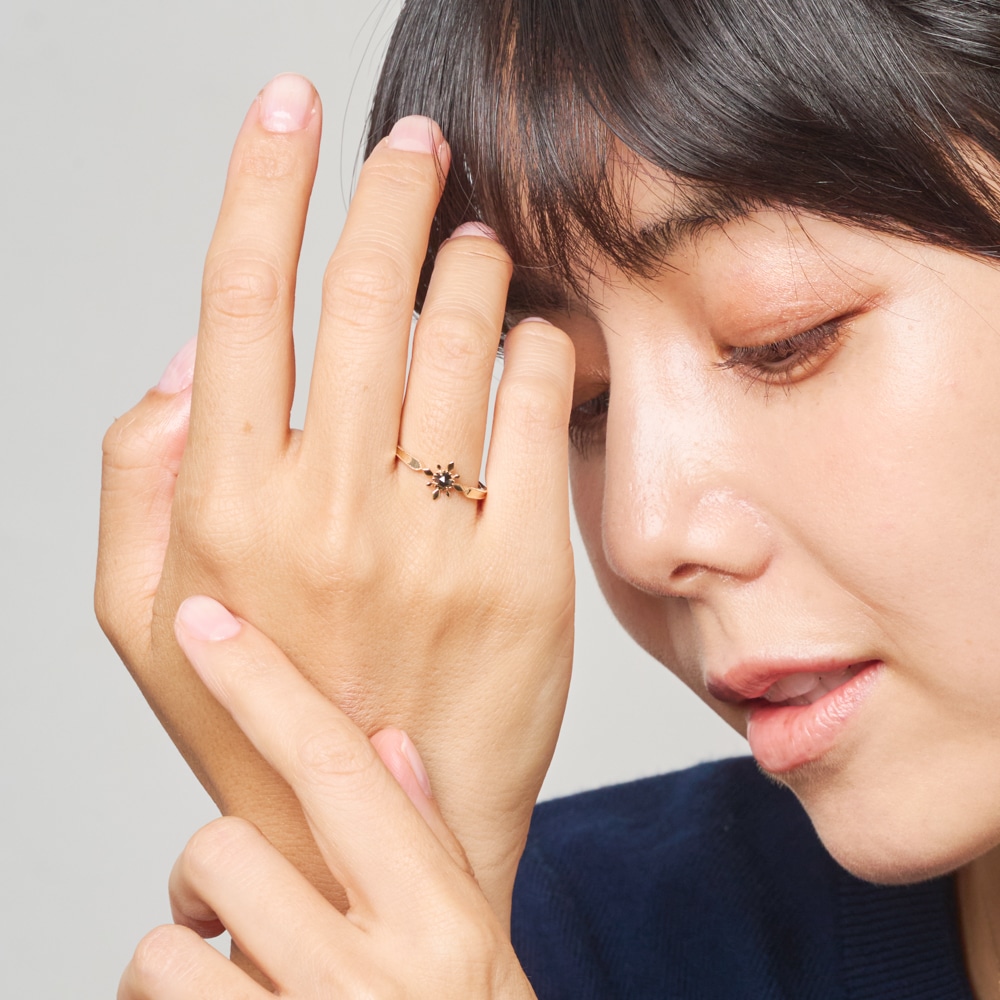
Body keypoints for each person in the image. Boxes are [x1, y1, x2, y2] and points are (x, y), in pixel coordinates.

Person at [96, 0, 1000, 995]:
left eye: (782, 338)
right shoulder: (555, 942)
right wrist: (360, 865)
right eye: (587, 407)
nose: (636, 536)